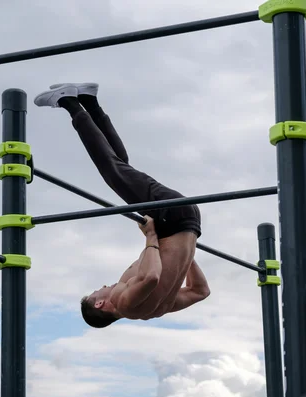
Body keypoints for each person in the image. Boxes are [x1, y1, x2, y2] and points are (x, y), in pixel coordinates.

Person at [34, 82, 211, 328]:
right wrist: (151, 237)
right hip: (169, 218)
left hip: (187, 222)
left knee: (119, 166)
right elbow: (150, 277)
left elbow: (200, 291)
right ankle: (69, 102)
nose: (103, 286)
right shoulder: (124, 302)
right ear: (99, 304)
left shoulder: (157, 310)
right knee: (112, 170)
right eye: (97, 291)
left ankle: (90, 101)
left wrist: (186, 254)